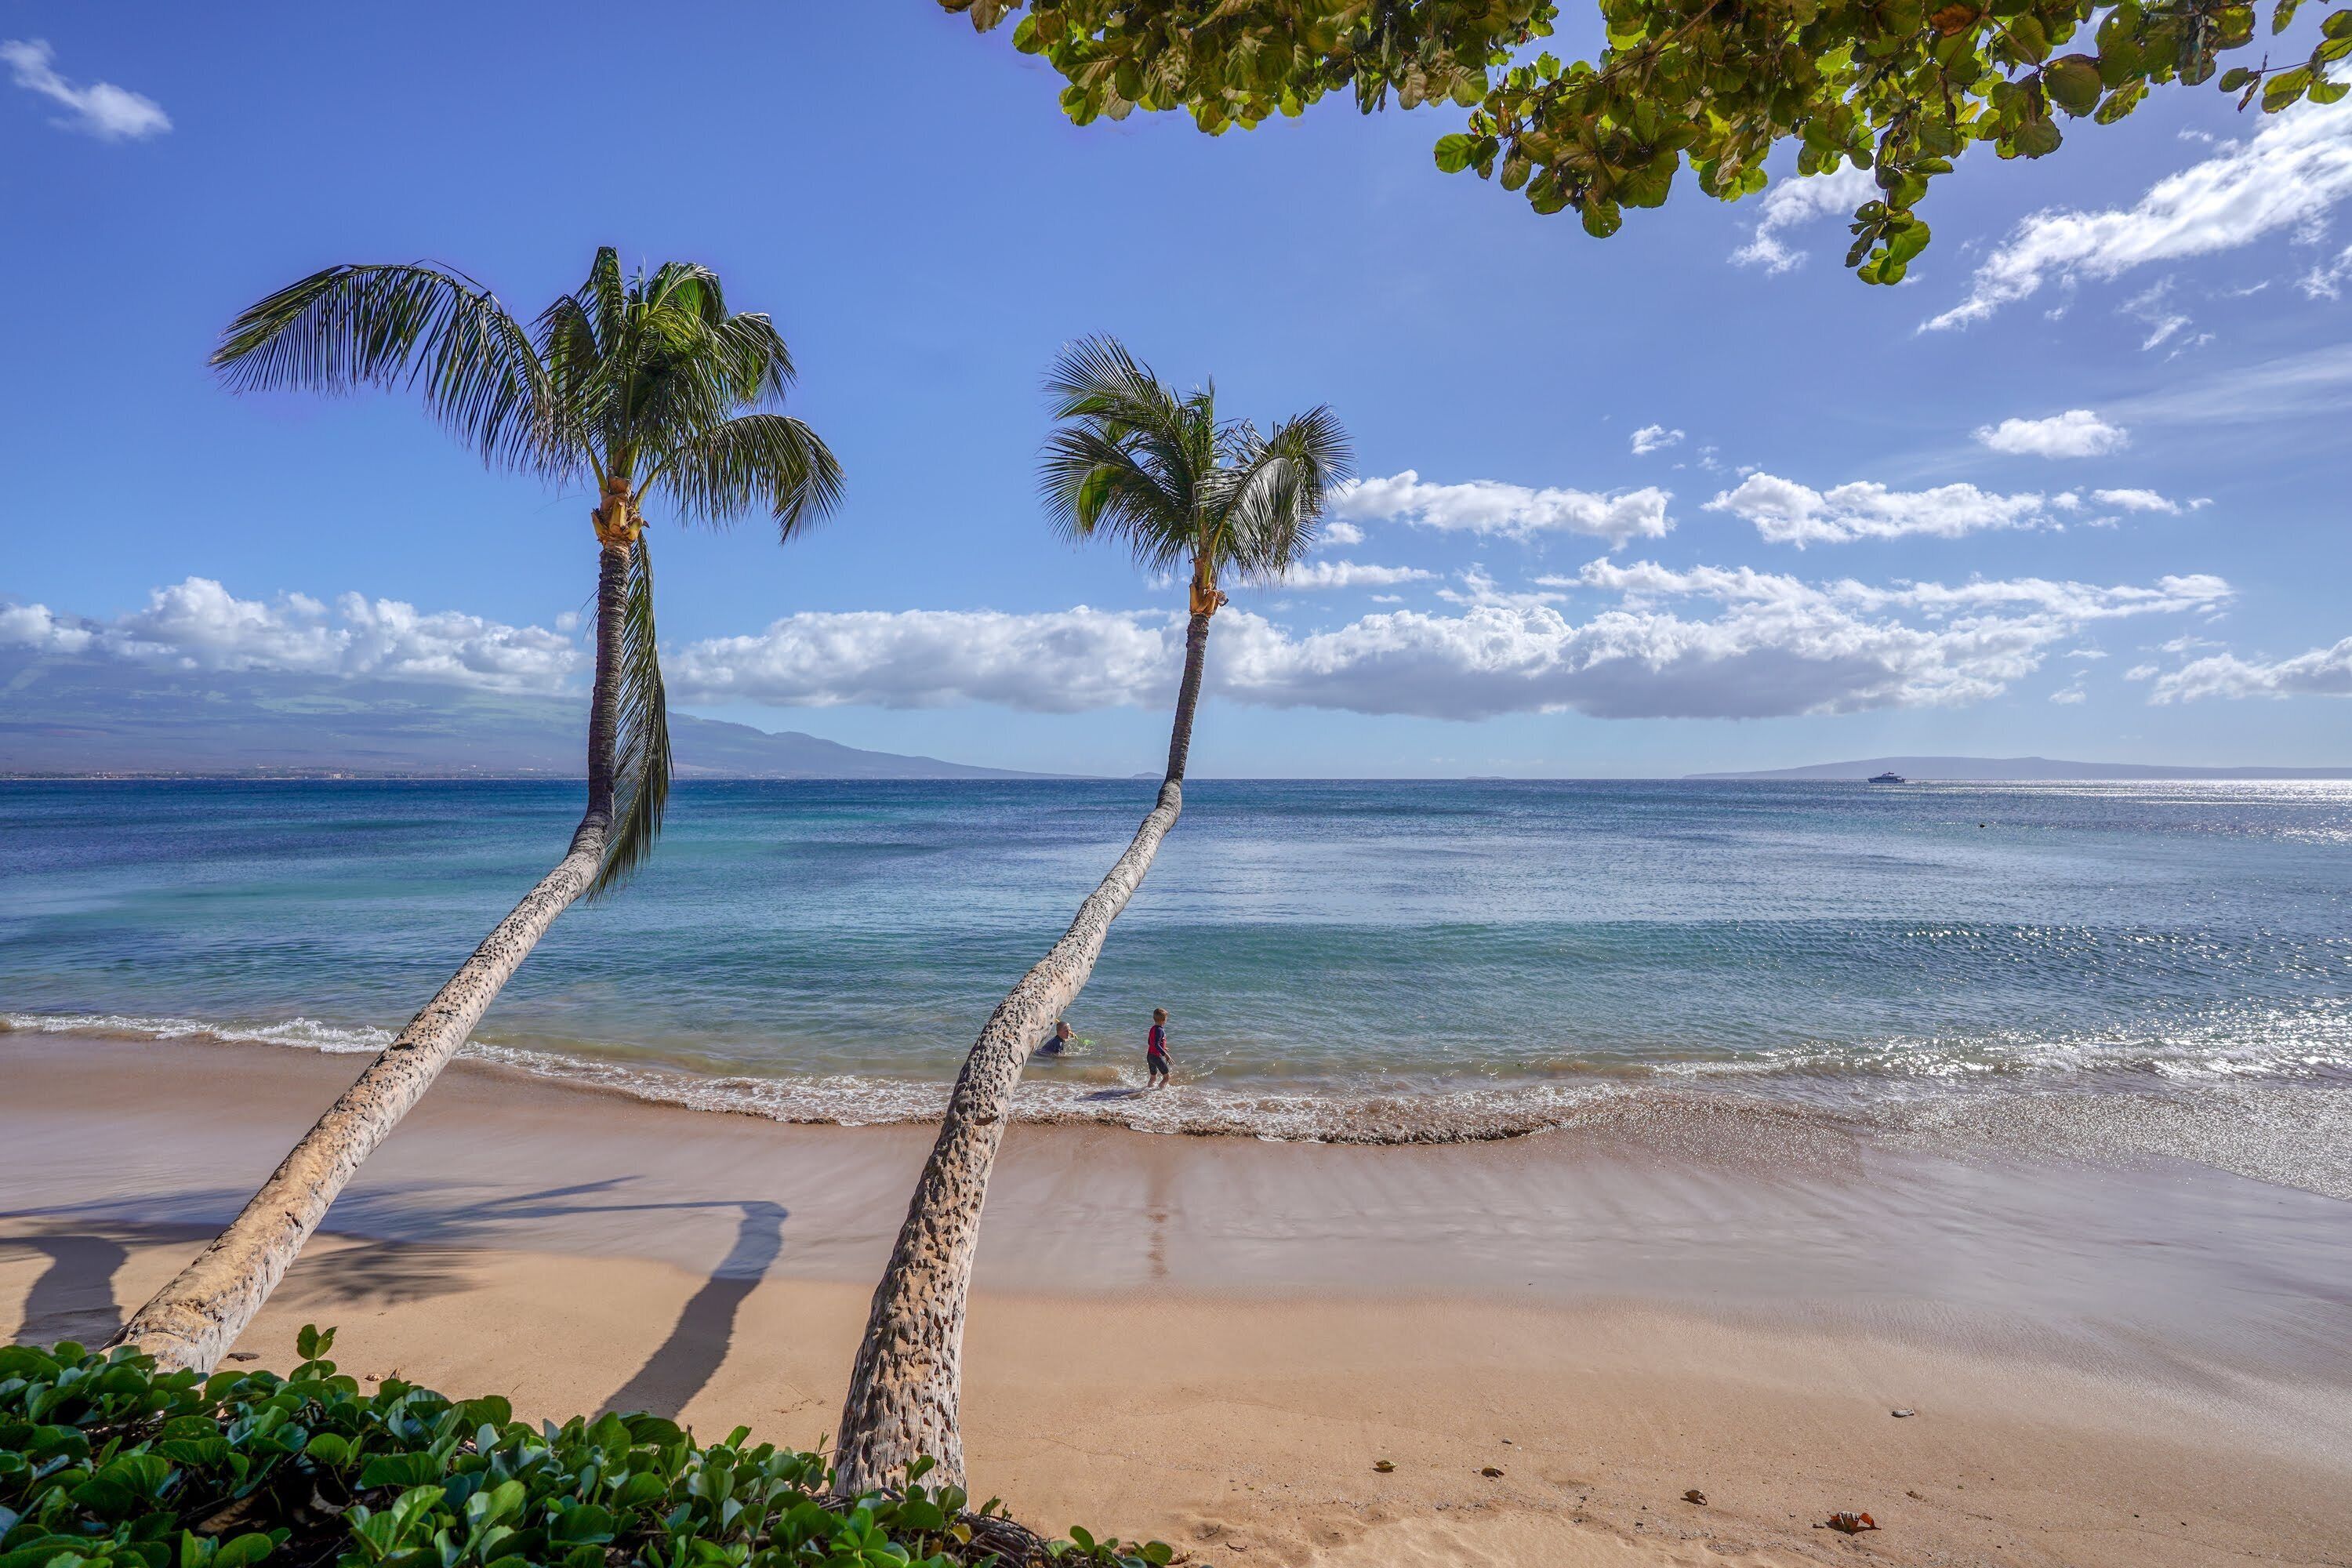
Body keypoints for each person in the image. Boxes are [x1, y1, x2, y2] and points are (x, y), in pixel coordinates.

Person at [1146, 1007, 1171, 1088]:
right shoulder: (1160, 1030)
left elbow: (1150, 1042)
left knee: (1153, 1077)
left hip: (1150, 1056)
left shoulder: (1153, 1028)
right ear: (1163, 1020)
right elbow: (1156, 1044)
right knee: (1167, 1077)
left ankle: (1149, 1090)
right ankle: (1160, 1093)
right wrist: (1166, 1055)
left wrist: (1163, 1047)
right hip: (1157, 1057)